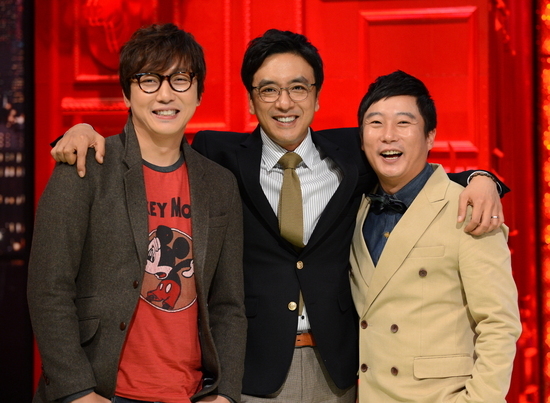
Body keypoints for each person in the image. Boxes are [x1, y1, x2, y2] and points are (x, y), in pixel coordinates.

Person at [50, 30, 507, 402]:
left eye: (298, 88)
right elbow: (151, 144)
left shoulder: (354, 153)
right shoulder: (217, 155)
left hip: (339, 371)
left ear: (317, 97)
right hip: (254, 370)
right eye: (268, 89)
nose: (284, 102)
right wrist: (85, 130)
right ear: (251, 101)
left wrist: (481, 178)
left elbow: (408, 165)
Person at [27, 24, 246, 403]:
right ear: (127, 93)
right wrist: (77, 391)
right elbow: (48, 288)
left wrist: (225, 394)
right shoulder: (86, 167)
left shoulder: (219, 184)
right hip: (102, 391)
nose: (165, 93)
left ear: (198, 93)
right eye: (149, 80)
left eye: (180, 79)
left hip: (189, 393)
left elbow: (229, 305)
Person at [349, 70, 521, 402]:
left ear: (430, 137)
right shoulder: (352, 207)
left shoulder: (468, 207)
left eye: (404, 123)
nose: (388, 135)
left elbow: (499, 323)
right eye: (376, 123)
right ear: (361, 137)